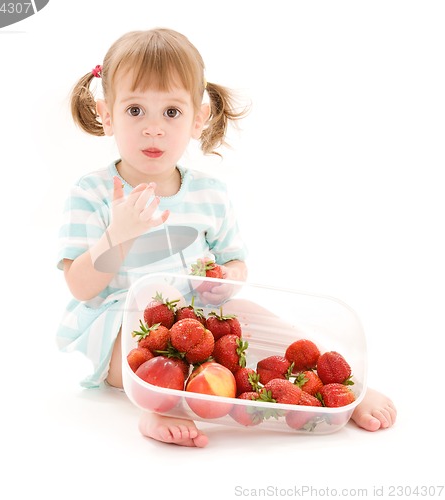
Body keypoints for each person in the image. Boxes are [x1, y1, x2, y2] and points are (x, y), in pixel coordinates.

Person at [57, 28, 396, 448]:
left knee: (248, 309)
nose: (153, 130)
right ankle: (157, 407)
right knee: (141, 328)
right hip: (122, 325)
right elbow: (80, 286)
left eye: (172, 113)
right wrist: (117, 235)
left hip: (200, 318)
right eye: (135, 110)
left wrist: (224, 277)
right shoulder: (90, 193)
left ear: (198, 118)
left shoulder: (210, 193)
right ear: (106, 114)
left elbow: (236, 263)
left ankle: (343, 389)